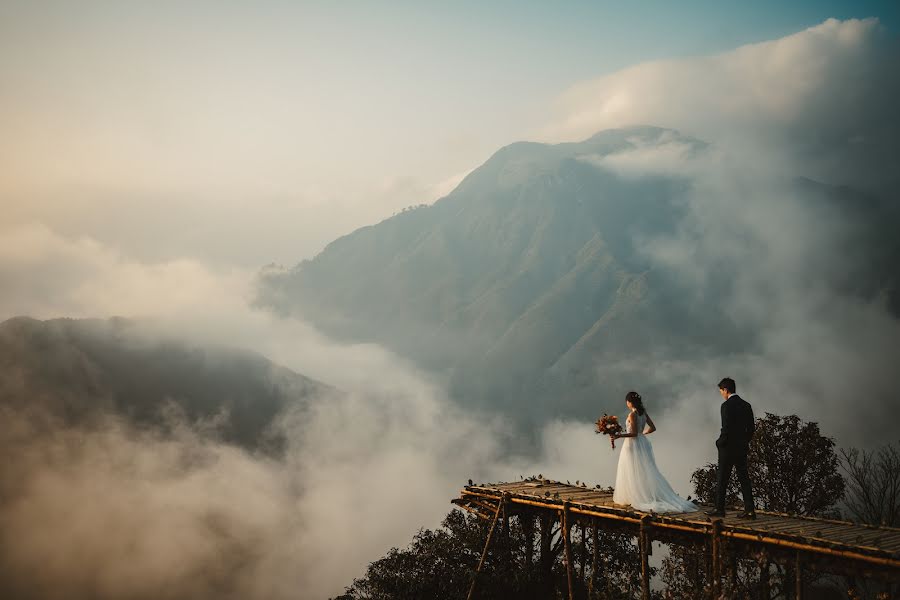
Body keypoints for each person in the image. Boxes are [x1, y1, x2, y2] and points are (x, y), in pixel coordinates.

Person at [611, 391, 697, 513]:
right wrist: (643, 434)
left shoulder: (632, 415)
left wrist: (620, 436)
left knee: (632, 468)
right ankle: (642, 493)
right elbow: (653, 428)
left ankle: (635, 495)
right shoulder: (643, 413)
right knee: (644, 469)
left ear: (630, 402)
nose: (627, 404)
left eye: (627, 402)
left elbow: (634, 433)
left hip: (633, 444)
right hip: (642, 443)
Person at [705, 377, 756, 519]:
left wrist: (719, 442)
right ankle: (750, 510)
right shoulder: (746, 405)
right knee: (744, 479)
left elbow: (725, 428)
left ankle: (719, 509)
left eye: (721, 391)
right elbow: (751, 428)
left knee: (722, 478)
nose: (721, 393)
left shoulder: (726, 406)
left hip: (727, 448)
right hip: (741, 448)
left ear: (726, 390)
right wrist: (744, 442)